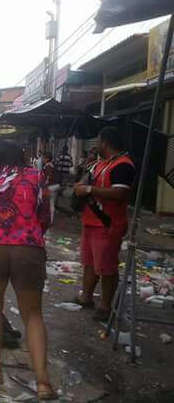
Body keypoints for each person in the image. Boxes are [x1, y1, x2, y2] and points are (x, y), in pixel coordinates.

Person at [0, 140, 56, 400]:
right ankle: (43, 383)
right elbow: (46, 217)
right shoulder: (36, 177)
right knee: (33, 314)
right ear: (22, 156)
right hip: (28, 250)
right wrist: (32, 236)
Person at [73, 127, 135, 322]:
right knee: (89, 263)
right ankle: (86, 296)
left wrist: (90, 188)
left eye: (98, 141)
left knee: (107, 267)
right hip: (90, 222)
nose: (96, 145)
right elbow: (83, 183)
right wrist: (80, 187)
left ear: (104, 143)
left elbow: (120, 193)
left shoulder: (123, 165)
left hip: (108, 224)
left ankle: (106, 306)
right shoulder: (98, 164)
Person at [42, 152, 60, 224]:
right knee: (52, 203)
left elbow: (49, 177)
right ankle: (51, 220)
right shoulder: (52, 165)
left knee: (47, 203)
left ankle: (48, 219)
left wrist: (45, 185)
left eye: (44, 158)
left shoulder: (48, 166)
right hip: (56, 186)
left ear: (47, 159)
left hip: (51, 186)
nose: (43, 159)